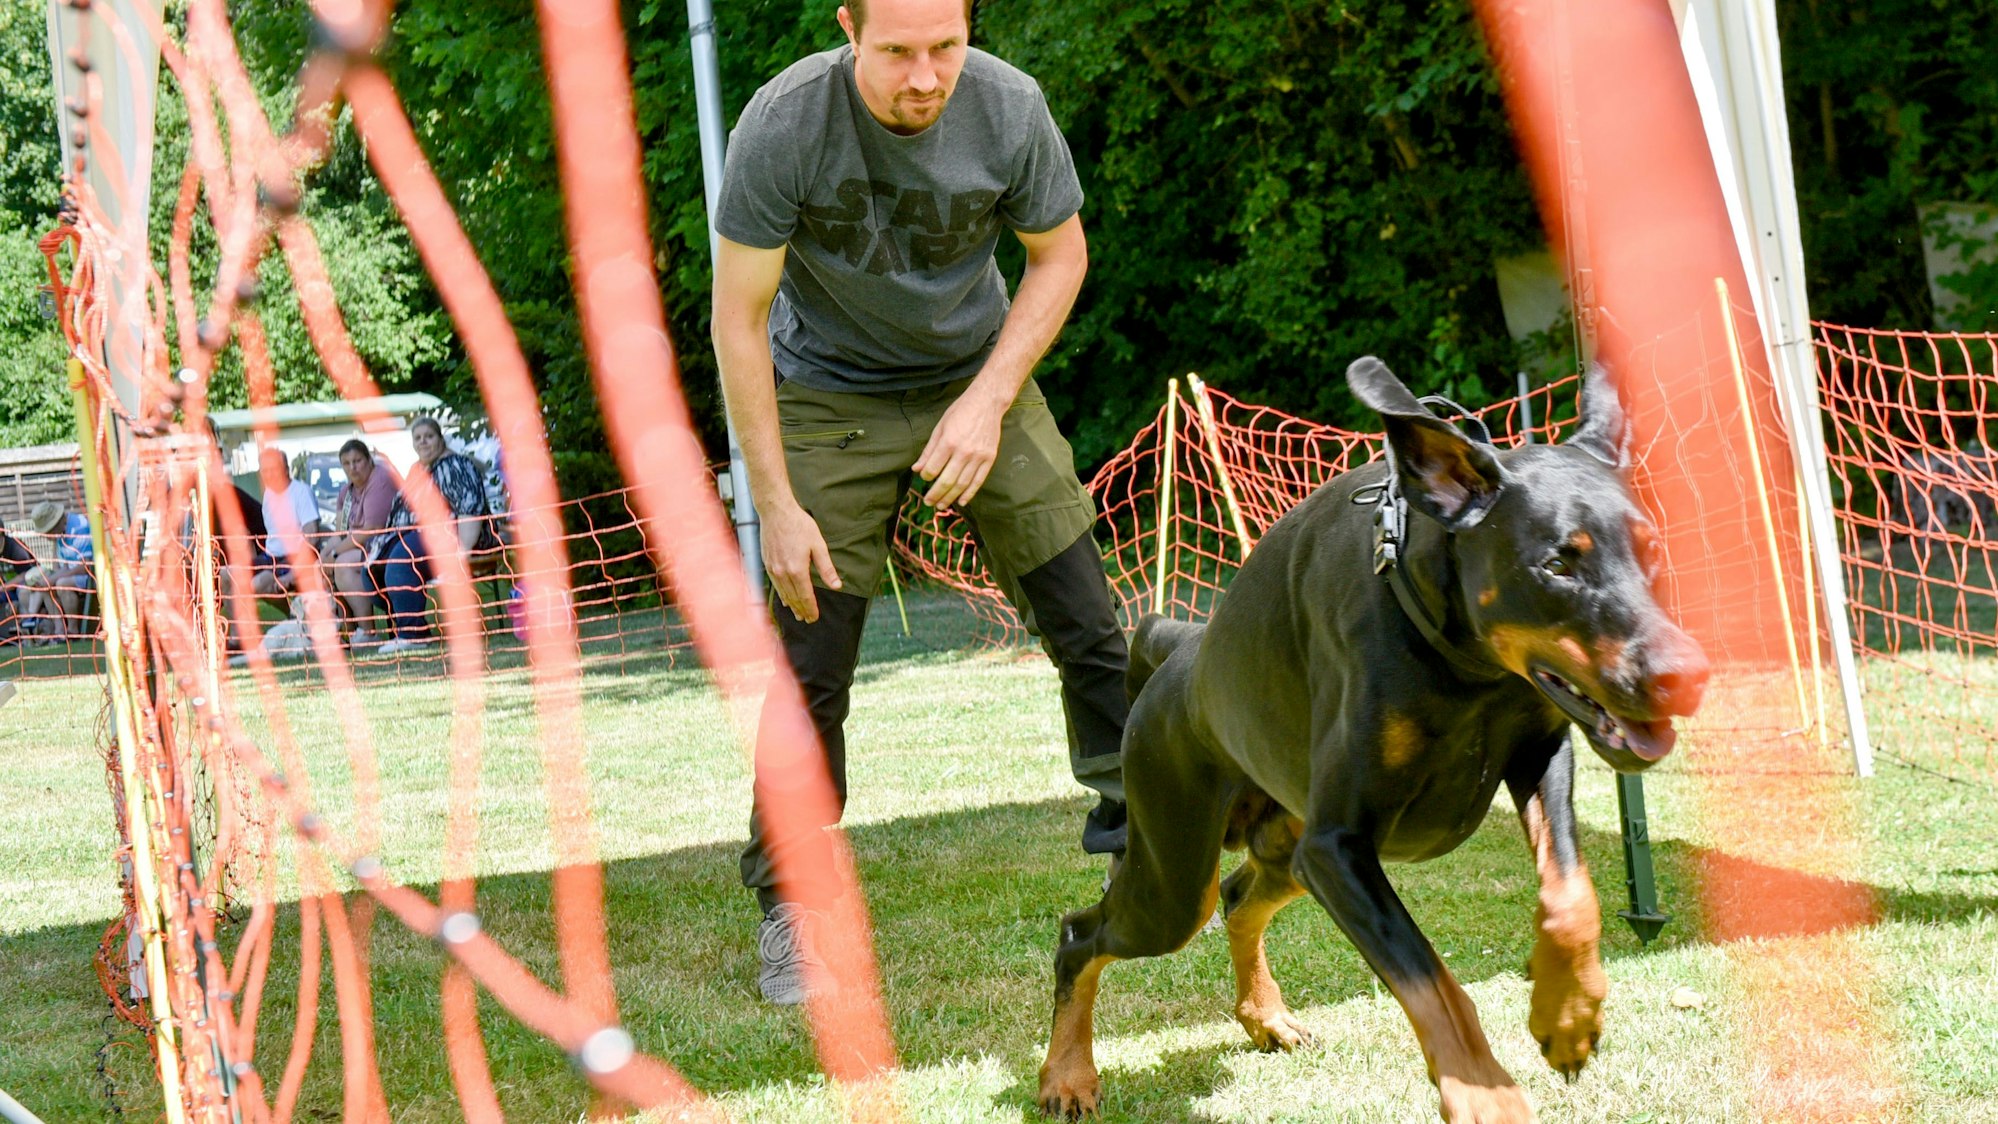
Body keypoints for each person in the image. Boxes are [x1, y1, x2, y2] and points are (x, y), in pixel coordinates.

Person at [713, 0, 1128, 1004]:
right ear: (848, 26)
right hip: (826, 393)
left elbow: (1060, 255)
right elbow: (740, 314)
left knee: (1090, 622)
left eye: (946, 46)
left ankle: (1144, 841)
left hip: (975, 375)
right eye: (897, 51)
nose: (926, 77)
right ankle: (792, 911)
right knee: (811, 650)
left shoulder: (1009, 108)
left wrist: (989, 401)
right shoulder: (784, 123)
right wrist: (774, 499)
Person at [368, 417, 499, 656]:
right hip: (415, 536)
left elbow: (470, 509)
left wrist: (463, 550)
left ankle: (412, 635)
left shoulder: (456, 465)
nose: (423, 442)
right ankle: (412, 624)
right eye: (417, 438)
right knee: (371, 570)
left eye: (428, 436)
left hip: (452, 537)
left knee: (401, 560)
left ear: (440, 439)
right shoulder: (417, 469)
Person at [320, 439, 400, 648]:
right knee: (319, 567)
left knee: (343, 564)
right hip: (361, 546)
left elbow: (371, 529)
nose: (352, 467)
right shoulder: (346, 492)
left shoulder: (379, 479)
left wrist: (335, 555)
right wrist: (323, 557)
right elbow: (340, 532)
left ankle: (367, 632)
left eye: (357, 461)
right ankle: (342, 633)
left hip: (386, 544)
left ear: (368, 460)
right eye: (346, 463)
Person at [19, 499, 95, 644]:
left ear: (55, 524)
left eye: (47, 531)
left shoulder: (79, 527)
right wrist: (48, 581)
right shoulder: (60, 534)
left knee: (61, 583)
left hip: (90, 576)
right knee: (47, 585)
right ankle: (60, 630)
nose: (46, 536)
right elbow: (63, 567)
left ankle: (73, 631)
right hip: (73, 574)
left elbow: (85, 566)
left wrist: (53, 580)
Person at [252, 447, 323, 602]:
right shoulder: (268, 494)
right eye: (265, 471)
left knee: (256, 584)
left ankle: (290, 615)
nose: (269, 475)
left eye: (274, 469)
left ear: (286, 469)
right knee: (228, 576)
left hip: (296, 557)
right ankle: (236, 626)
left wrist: (294, 572)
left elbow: (312, 539)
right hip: (270, 557)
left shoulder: (301, 492)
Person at [0, 517, 39, 644]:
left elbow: (25, 575)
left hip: (29, 586)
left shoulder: (15, 547)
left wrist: (3, 589)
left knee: (23, 592)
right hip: (8, 590)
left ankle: (27, 637)